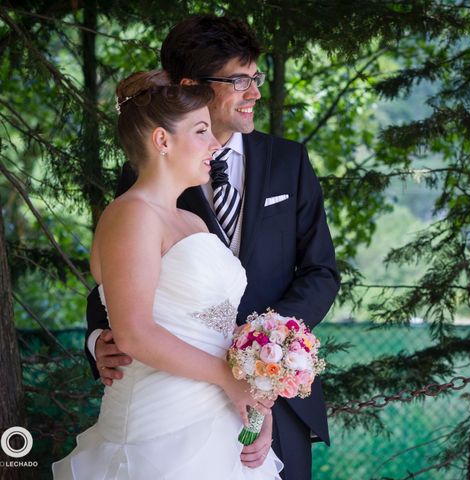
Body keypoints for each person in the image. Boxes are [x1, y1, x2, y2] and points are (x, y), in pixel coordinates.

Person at [84, 15, 340, 480]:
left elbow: (321, 271)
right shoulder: (143, 183)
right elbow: (123, 284)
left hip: (270, 394)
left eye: (256, 77)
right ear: (191, 85)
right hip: (171, 404)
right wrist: (98, 339)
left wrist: (262, 347)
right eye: (239, 79)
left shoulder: (289, 162)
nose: (254, 92)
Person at [53, 70, 283, 478]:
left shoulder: (192, 222)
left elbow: (219, 328)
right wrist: (228, 380)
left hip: (222, 424)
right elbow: (134, 332)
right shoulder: (131, 215)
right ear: (161, 140)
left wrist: (256, 401)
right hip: (159, 433)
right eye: (200, 131)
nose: (214, 143)